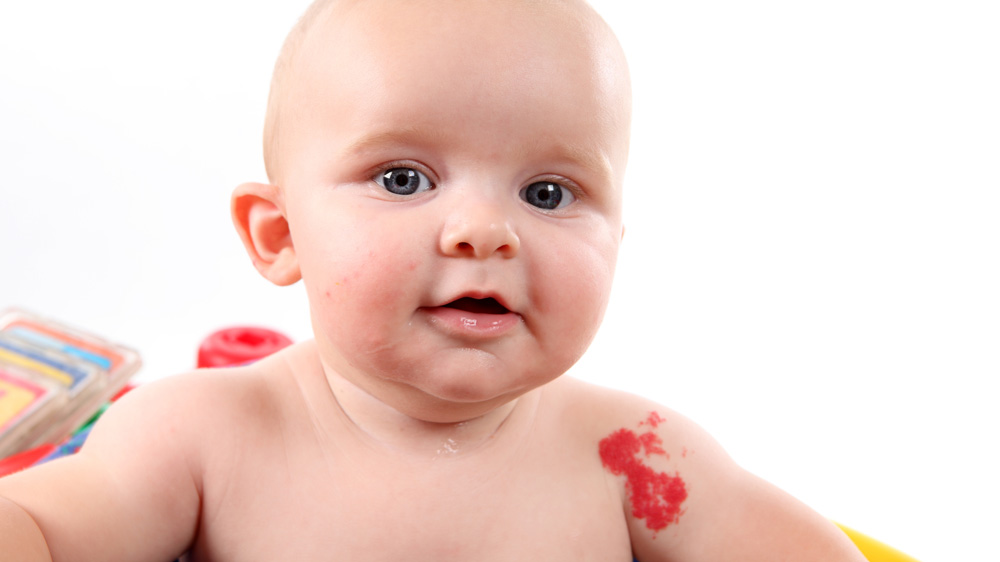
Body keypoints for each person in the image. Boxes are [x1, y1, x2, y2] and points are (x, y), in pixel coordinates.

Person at [0, 1, 867, 560]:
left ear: (616, 241)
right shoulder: (198, 438)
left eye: (548, 193)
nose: (485, 230)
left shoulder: (637, 456)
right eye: (404, 178)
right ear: (281, 234)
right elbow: (41, 528)